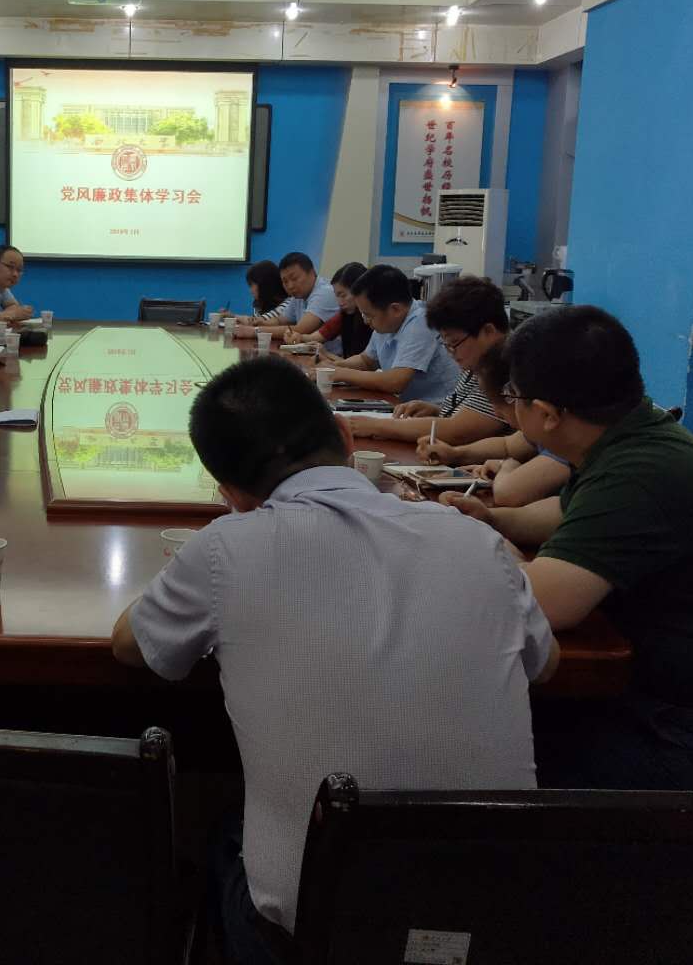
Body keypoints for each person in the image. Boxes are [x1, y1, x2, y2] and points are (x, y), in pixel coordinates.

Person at [110, 355, 556, 962]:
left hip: (321, 937)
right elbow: (545, 665)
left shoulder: (223, 549)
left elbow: (131, 646)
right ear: (346, 437)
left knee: (215, 827)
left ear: (230, 494)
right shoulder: (476, 538)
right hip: (494, 927)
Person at [442, 305, 693, 791]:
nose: (510, 410)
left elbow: (540, 603)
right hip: (673, 704)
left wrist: (484, 548)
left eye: (512, 398)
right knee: (485, 718)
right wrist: (492, 520)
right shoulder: (633, 436)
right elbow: (565, 515)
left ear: (547, 415)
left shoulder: (641, 472)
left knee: (469, 751)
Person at [342, 274, 511, 447]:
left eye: (454, 343)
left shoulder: (505, 368)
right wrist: (438, 411)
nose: (451, 353)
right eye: (446, 345)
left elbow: (458, 431)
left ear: (488, 332)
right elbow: (471, 417)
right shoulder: (477, 364)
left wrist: (376, 426)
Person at [416, 343, 571, 508]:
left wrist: (508, 466)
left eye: (511, 397)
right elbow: (507, 445)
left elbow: (509, 493)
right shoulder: (540, 429)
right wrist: (456, 453)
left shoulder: (565, 443)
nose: (497, 414)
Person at [323, 264, 459, 404]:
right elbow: (366, 361)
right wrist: (332, 367)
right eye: (363, 314)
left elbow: (395, 382)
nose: (365, 321)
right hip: (406, 405)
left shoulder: (421, 322)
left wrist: (341, 373)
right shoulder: (387, 323)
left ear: (395, 310)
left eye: (369, 315)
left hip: (439, 409)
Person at [240, 252, 339, 339]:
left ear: (312, 272)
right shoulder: (298, 296)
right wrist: (262, 323)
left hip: (328, 354)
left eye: (294, 278)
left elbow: (301, 329)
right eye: (285, 281)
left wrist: (255, 331)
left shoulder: (325, 292)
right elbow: (280, 321)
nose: (290, 286)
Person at [284, 261, 370, 359]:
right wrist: (299, 337)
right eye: (336, 296)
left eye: (343, 295)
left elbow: (364, 365)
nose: (339, 302)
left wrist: (326, 354)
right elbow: (317, 336)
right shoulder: (344, 315)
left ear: (360, 292)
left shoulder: (373, 323)